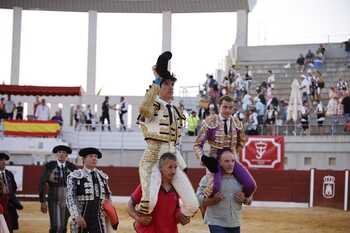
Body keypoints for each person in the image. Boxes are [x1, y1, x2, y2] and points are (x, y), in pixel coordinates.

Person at [136, 51, 198, 216]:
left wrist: (181, 163)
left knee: (192, 206)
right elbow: (143, 109)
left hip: (172, 154)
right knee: (148, 204)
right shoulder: (154, 104)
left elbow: (174, 144)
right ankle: (138, 218)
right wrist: (156, 80)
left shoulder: (175, 108)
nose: (171, 87)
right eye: (167, 84)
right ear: (158, 87)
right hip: (154, 154)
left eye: (172, 85)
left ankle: (172, 214)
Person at [193, 95, 256, 199]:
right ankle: (205, 206)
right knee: (214, 187)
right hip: (215, 159)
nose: (227, 110)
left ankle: (241, 200)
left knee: (250, 185)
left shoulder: (237, 122)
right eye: (225, 107)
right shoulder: (210, 121)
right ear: (219, 106)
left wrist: (234, 154)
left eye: (230, 108)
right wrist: (204, 159)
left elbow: (242, 141)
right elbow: (197, 145)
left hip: (231, 159)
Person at [128, 153, 191, 233]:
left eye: (175, 167)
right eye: (170, 167)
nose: (173, 171)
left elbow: (177, 211)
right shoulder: (148, 185)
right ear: (161, 168)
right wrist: (138, 218)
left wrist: (182, 217)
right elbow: (130, 204)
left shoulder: (177, 188)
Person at [197, 150, 252, 233]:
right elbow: (198, 199)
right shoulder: (209, 178)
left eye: (233, 161)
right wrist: (213, 200)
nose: (230, 164)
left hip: (235, 222)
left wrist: (244, 199)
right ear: (220, 162)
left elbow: (249, 199)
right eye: (226, 161)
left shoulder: (240, 179)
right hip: (216, 221)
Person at [66, 147, 114, 233]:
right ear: (83, 159)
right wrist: (76, 216)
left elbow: (108, 196)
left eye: (96, 156)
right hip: (81, 216)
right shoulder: (75, 176)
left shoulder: (102, 176)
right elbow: (70, 197)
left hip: (98, 217)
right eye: (91, 156)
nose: (94, 158)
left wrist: (109, 211)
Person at [38, 145, 77, 233]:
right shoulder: (50, 166)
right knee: (55, 226)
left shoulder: (72, 167)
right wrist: (42, 201)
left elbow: (77, 185)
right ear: (56, 154)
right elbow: (42, 183)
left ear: (67, 155)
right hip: (53, 199)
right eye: (59, 152)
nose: (61, 154)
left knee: (63, 225)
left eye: (63, 153)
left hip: (67, 200)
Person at [0, 152, 21, 233]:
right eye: (1, 160)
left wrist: (14, 200)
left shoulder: (9, 174)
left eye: (4, 160)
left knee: (9, 226)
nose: (3, 162)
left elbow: (14, 188)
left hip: (9, 205)